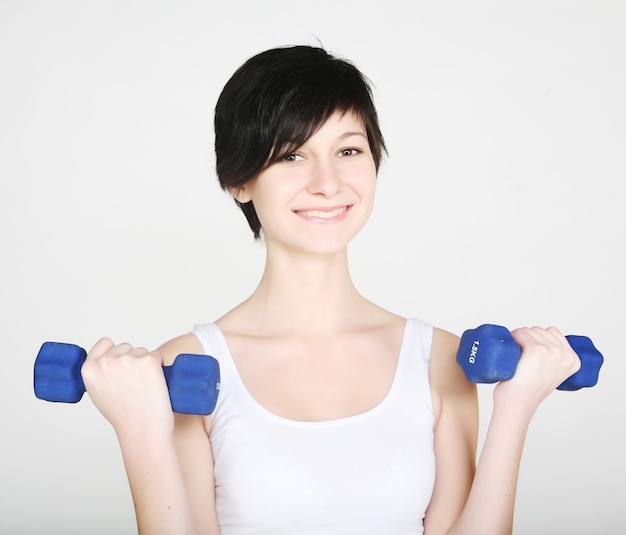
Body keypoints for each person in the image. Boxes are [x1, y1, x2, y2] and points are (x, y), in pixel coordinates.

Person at [81, 45, 581, 535]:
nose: (327, 182)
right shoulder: (185, 367)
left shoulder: (441, 359)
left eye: (348, 150)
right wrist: (140, 433)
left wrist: (514, 411)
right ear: (239, 181)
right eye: (293, 154)